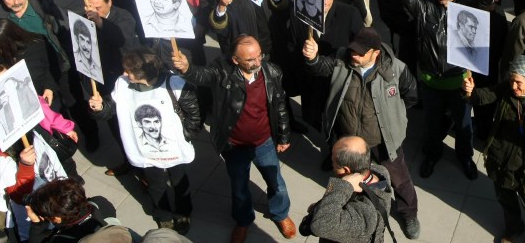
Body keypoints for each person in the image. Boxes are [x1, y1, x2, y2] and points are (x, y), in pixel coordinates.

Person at [383, 0, 505, 180]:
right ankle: (431, 155)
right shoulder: (424, 6)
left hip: (459, 81)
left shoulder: (466, 6)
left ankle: (465, 157)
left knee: (463, 126)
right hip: (430, 80)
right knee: (431, 124)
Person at [172, 36, 297, 242]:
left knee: (277, 183)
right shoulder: (222, 72)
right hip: (235, 145)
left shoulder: (271, 72)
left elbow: (280, 105)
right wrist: (186, 69)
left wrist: (284, 135)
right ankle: (243, 221)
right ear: (235, 60)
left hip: (264, 142)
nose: (257, 63)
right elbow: (202, 76)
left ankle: (280, 213)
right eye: (250, 60)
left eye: (259, 56)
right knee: (239, 188)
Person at [302, 30, 421, 239]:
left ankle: (409, 213)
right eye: (352, 50)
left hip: (382, 141)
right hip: (350, 140)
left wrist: (392, 117)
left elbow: (411, 95)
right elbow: (321, 68)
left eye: (359, 52)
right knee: (348, 178)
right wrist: (312, 59)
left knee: (399, 179)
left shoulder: (396, 69)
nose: (353, 55)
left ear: (375, 53)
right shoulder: (341, 59)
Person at [89, 47, 199, 232]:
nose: (124, 73)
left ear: (143, 73)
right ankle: (163, 214)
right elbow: (110, 109)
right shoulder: (122, 84)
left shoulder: (174, 83)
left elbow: (194, 114)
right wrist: (99, 108)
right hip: (145, 151)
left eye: (129, 71)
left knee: (179, 181)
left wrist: (184, 136)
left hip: (174, 149)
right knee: (156, 184)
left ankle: (183, 213)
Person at [462, 56, 525, 243]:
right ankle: (514, 229)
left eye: (518, 82)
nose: (514, 86)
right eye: (512, 80)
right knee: (506, 202)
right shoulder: (507, 90)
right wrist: (471, 92)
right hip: (500, 162)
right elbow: (486, 95)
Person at [304, 136, 395, 243]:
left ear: (346, 170)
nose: (332, 165)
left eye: (333, 162)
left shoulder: (365, 214)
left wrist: (343, 185)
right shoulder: (380, 171)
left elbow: (320, 225)